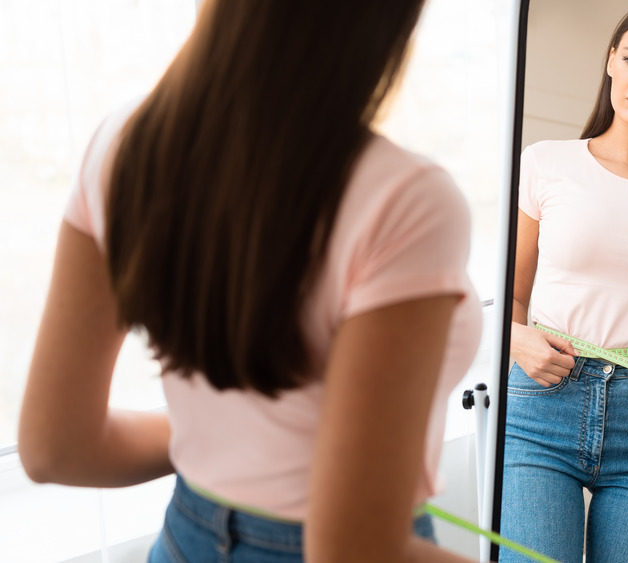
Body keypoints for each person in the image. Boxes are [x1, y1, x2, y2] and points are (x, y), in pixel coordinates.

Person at [16, 1, 481, 561]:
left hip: (184, 540)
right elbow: (353, 547)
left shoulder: (124, 142)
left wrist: (228, 441)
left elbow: (57, 447)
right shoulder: (405, 199)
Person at [499, 1, 628, 561]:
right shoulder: (544, 164)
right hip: (542, 405)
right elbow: (511, 296)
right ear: (611, 61)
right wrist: (516, 339)